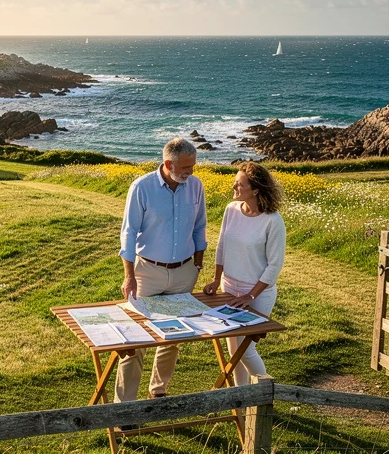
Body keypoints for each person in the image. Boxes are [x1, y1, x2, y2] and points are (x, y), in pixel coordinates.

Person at [116, 137, 208, 403]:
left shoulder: (196, 186)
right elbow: (128, 233)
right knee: (136, 339)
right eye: (186, 167)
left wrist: (198, 263)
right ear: (168, 164)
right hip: (148, 272)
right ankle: (125, 407)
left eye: (193, 166)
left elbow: (200, 226)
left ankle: (158, 391)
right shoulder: (141, 187)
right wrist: (129, 276)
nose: (191, 172)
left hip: (184, 272)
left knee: (175, 334)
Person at [203, 161, 285, 387]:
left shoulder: (272, 221)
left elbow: (274, 266)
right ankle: (240, 397)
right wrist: (216, 279)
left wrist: (250, 296)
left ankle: (264, 395)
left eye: (240, 184)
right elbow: (222, 246)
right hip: (229, 288)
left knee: (246, 351)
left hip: (258, 294)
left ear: (256, 190)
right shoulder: (231, 210)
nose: (234, 187)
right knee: (234, 352)